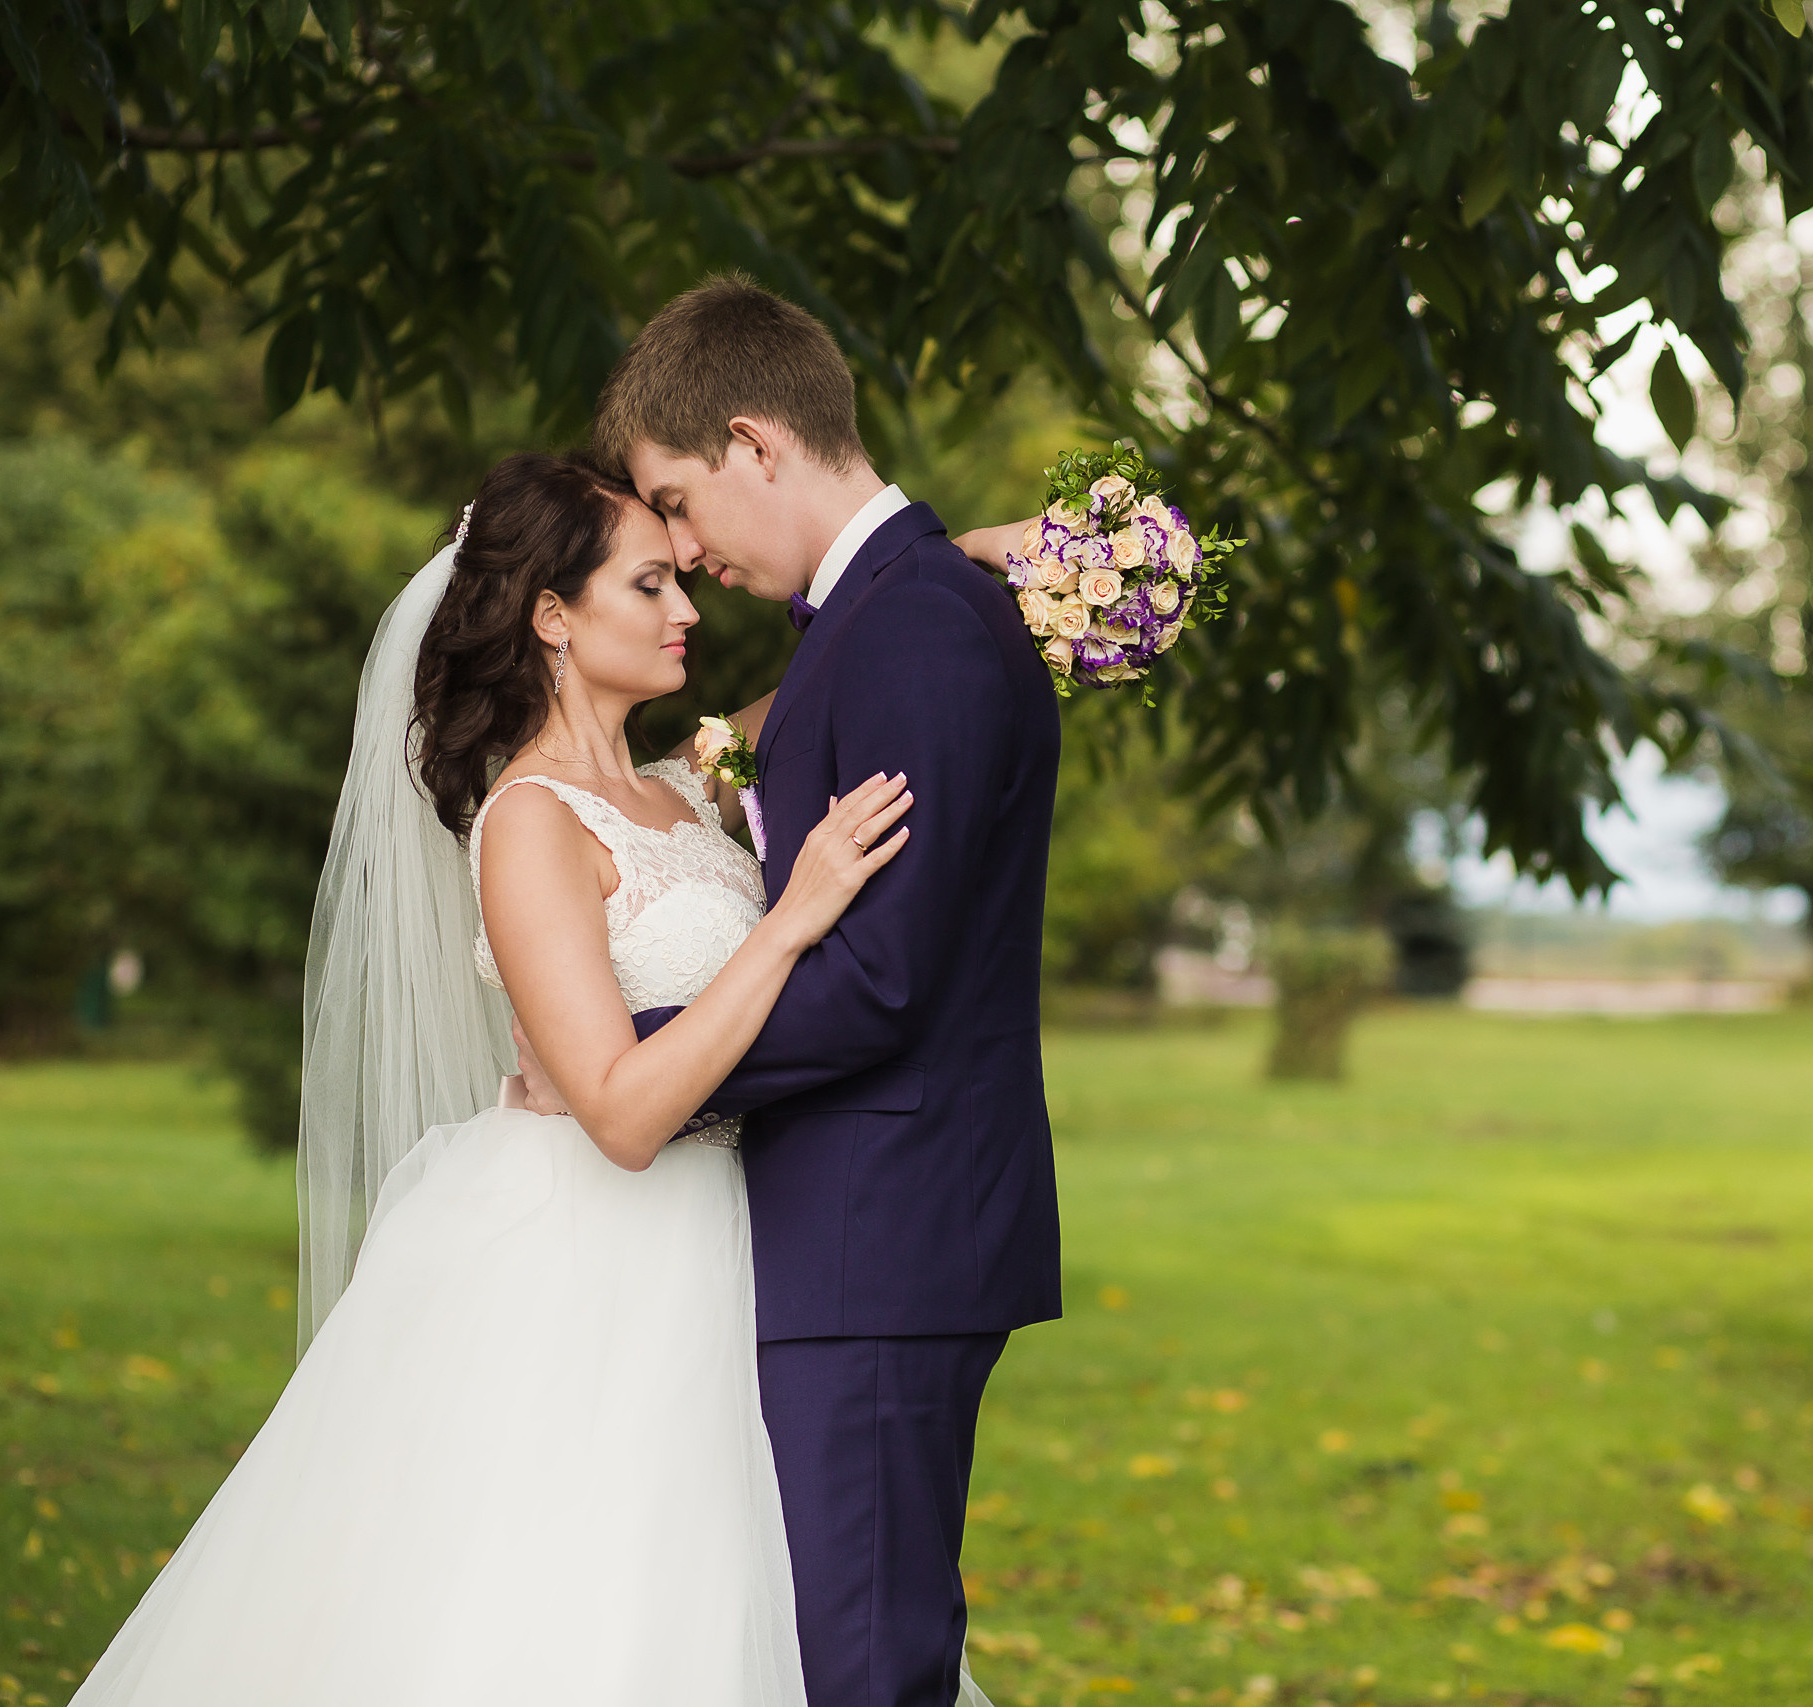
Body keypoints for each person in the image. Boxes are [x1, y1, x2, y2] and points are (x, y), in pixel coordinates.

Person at [66, 450, 1017, 1704]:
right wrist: (789, 923)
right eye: (650, 585)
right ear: (554, 617)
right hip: (595, 1259)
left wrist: (980, 561)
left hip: (734, 1245)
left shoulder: (685, 787)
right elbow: (617, 1111)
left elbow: (858, 647)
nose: (688, 610)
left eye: (682, 580)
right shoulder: (528, 824)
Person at [526, 272, 1065, 1707]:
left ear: (755, 443)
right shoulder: (888, 614)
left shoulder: (914, 625)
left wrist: (626, 1061)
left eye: (679, 503)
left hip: (879, 1233)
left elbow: (880, 981)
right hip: (860, 1230)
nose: (686, 552)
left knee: (862, 1672)